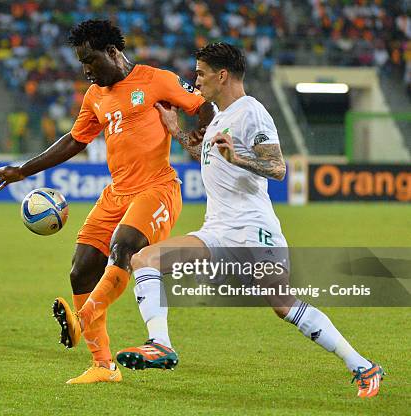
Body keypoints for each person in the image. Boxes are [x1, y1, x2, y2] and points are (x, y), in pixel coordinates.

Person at [116, 42, 384, 399]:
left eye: (201, 73)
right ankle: (160, 344)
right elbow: (207, 153)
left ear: (222, 75)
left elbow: (277, 167)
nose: (195, 80)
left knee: (283, 305)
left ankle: (362, 365)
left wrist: (240, 159)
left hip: (253, 230)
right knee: (144, 260)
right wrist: (175, 131)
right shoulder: (219, 117)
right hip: (217, 231)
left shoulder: (251, 112)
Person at [0, 19, 214, 384]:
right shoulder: (95, 97)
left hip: (156, 188)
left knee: (122, 247)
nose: (86, 70)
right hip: (116, 194)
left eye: (90, 60)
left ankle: (83, 318)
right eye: (81, 63)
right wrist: (24, 170)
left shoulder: (156, 79)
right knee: (81, 269)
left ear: (112, 52)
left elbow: (202, 105)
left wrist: (199, 130)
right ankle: (103, 366)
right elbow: (74, 141)